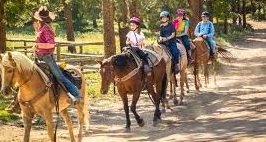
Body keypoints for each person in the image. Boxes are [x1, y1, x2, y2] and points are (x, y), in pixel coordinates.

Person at [33, 6, 80, 102]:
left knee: (60, 76)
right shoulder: (41, 28)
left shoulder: (46, 29)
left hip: (46, 58)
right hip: (39, 56)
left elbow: (51, 44)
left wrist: (38, 45)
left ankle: (76, 95)